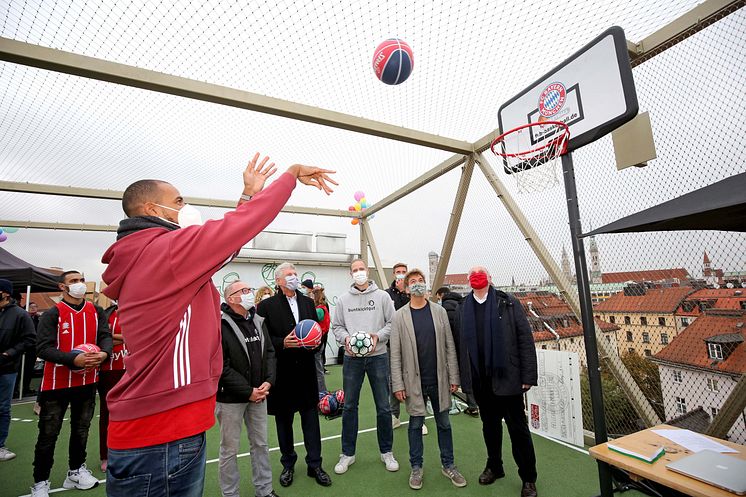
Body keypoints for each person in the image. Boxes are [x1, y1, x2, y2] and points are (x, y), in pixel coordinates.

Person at [100, 154, 336, 497]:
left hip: (158, 430)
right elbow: (239, 227)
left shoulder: (150, 254)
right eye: (178, 201)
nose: (185, 206)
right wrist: (291, 175)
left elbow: (223, 247)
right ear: (152, 209)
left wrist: (248, 195)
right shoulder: (164, 250)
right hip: (162, 432)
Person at [31, 271, 113, 497]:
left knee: (81, 430)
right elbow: (43, 348)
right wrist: (71, 359)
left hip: (87, 382)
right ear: (62, 287)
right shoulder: (53, 313)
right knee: (48, 435)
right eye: (73, 281)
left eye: (80, 280)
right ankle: (40, 481)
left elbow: (104, 336)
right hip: (56, 383)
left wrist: (105, 353)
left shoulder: (96, 311)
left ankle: (75, 472)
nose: (78, 284)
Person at [458, 266, 538, 497]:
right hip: (481, 379)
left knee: (518, 430)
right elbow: (460, 345)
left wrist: (527, 376)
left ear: (490, 279)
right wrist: (466, 379)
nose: (477, 275)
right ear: (468, 280)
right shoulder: (465, 306)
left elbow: (524, 338)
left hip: (508, 377)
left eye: (481, 272)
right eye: (473, 273)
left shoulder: (508, 302)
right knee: (490, 427)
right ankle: (495, 466)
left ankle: (528, 478)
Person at [257, 263, 331, 488]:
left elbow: (316, 332)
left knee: (311, 421)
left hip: (306, 372)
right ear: (278, 281)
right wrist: (282, 343)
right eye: (289, 275)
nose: (294, 277)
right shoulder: (266, 306)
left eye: (295, 274)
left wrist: (316, 343)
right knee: (284, 422)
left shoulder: (308, 303)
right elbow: (263, 339)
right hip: (283, 374)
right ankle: (288, 464)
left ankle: (315, 464)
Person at [390, 270, 465, 490]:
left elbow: (449, 346)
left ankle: (448, 464)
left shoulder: (439, 312)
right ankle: (416, 468)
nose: (417, 284)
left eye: (420, 281)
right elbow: (395, 354)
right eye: (412, 282)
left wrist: (454, 376)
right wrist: (398, 384)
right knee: (415, 425)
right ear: (406, 287)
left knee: (444, 423)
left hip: (439, 378)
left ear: (426, 285)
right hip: (413, 382)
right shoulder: (399, 316)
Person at [331, 258, 398, 475]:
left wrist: (377, 337)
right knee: (349, 406)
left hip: (378, 357)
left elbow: (392, 323)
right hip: (352, 359)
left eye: (361, 269)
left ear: (367, 272)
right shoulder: (342, 300)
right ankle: (347, 454)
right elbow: (337, 327)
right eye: (355, 270)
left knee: (383, 406)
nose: (359, 272)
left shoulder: (382, 297)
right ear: (350, 274)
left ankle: (386, 451)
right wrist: (347, 340)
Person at [216, 280, 279, 497]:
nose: (249, 293)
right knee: (229, 450)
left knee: (261, 444)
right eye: (244, 291)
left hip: (260, 395)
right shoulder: (219, 325)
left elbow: (269, 352)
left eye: (249, 290)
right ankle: (230, 494)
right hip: (230, 400)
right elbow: (220, 367)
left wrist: (268, 381)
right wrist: (248, 391)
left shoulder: (258, 320)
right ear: (231, 298)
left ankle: (264, 490)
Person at [0, 279, 35, 461]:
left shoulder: (20, 315)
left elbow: (29, 339)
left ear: (5, 293)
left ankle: (0, 445)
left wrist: (8, 354)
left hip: (6, 368)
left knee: (3, 407)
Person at [435, 286, 479, 417]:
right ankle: (473, 405)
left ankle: (446, 404)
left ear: (441, 295)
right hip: (465, 346)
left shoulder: (443, 309)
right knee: (467, 374)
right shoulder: (463, 306)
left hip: (450, 347)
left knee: (446, 374)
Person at [97, 302, 128, 472]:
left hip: (132, 370)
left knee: (133, 414)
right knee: (107, 414)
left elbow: (140, 336)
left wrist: (114, 337)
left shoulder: (139, 309)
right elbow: (101, 337)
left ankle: (130, 451)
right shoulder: (106, 313)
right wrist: (124, 338)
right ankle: (106, 455)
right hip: (108, 370)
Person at [14, 301, 39, 397]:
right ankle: (15, 390)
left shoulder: (37, 319)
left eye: (35, 306)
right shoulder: (23, 318)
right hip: (23, 349)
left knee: (29, 371)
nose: (33, 308)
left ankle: (26, 388)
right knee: (19, 370)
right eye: (31, 307)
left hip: (32, 349)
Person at [310, 284, 330, 389]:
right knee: (319, 366)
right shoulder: (323, 307)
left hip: (318, 341)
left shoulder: (319, 310)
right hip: (320, 339)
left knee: (318, 368)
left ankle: (322, 390)